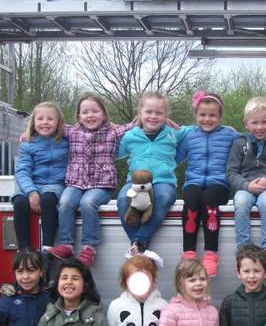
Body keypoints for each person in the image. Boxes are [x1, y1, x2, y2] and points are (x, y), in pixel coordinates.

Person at [49, 93, 134, 267]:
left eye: (95, 111)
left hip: (101, 185)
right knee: (65, 201)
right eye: (85, 112)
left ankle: (89, 246)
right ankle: (66, 244)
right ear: (78, 116)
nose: (90, 115)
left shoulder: (113, 132)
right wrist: (29, 135)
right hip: (76, 183)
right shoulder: (72, 132)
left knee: (88, 203)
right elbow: (49, 126)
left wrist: (161, 119)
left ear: (103, 114)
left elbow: (134, 125)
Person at [176, 91, 239, 278]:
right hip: (194, 181)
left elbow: (251, 138)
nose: (207, 119)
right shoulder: (189, 136)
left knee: (209, 200)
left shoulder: (229, 135)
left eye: (212, 115)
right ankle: (189, 253)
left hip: (219, 184)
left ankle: (211, 254)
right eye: (202, 115)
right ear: (196, 115)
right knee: (192, 200)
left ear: (220, 117)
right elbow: (174, 156)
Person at [116, 92, 183, 256]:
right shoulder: (129, 136)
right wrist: (109, 127)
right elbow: (110, 150)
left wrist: (226, 129)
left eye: (159, 113)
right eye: (148, 112)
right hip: (134, 183)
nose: (153, 116)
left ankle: (139, 241)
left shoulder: (173, 133)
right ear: (140, 114)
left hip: (163, 183)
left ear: (166, 116)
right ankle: (138, 246)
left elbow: (200, 129)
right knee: (123, 199)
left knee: (162, 198)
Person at [226, 97, 266, 273]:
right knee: (241, 203)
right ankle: (243, 251)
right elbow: (231, 172)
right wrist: (246, 185)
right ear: (246, 124)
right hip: (245, 186)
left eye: (264, 122)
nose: (259, 127)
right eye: (254, 123)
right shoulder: (239, 143)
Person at [12, 101, 68, 252]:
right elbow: (22, 171)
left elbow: (83, 131)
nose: (45, 122)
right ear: (33, 122)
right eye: (40, 118)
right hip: (32, 185)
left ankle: (47, 246)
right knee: (19, 203)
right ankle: (24, 249)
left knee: (48, 199)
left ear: (58, 122)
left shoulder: (66, 141)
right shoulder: (28, 144)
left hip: (55, 184)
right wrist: (31, 191)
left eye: (50, 119)